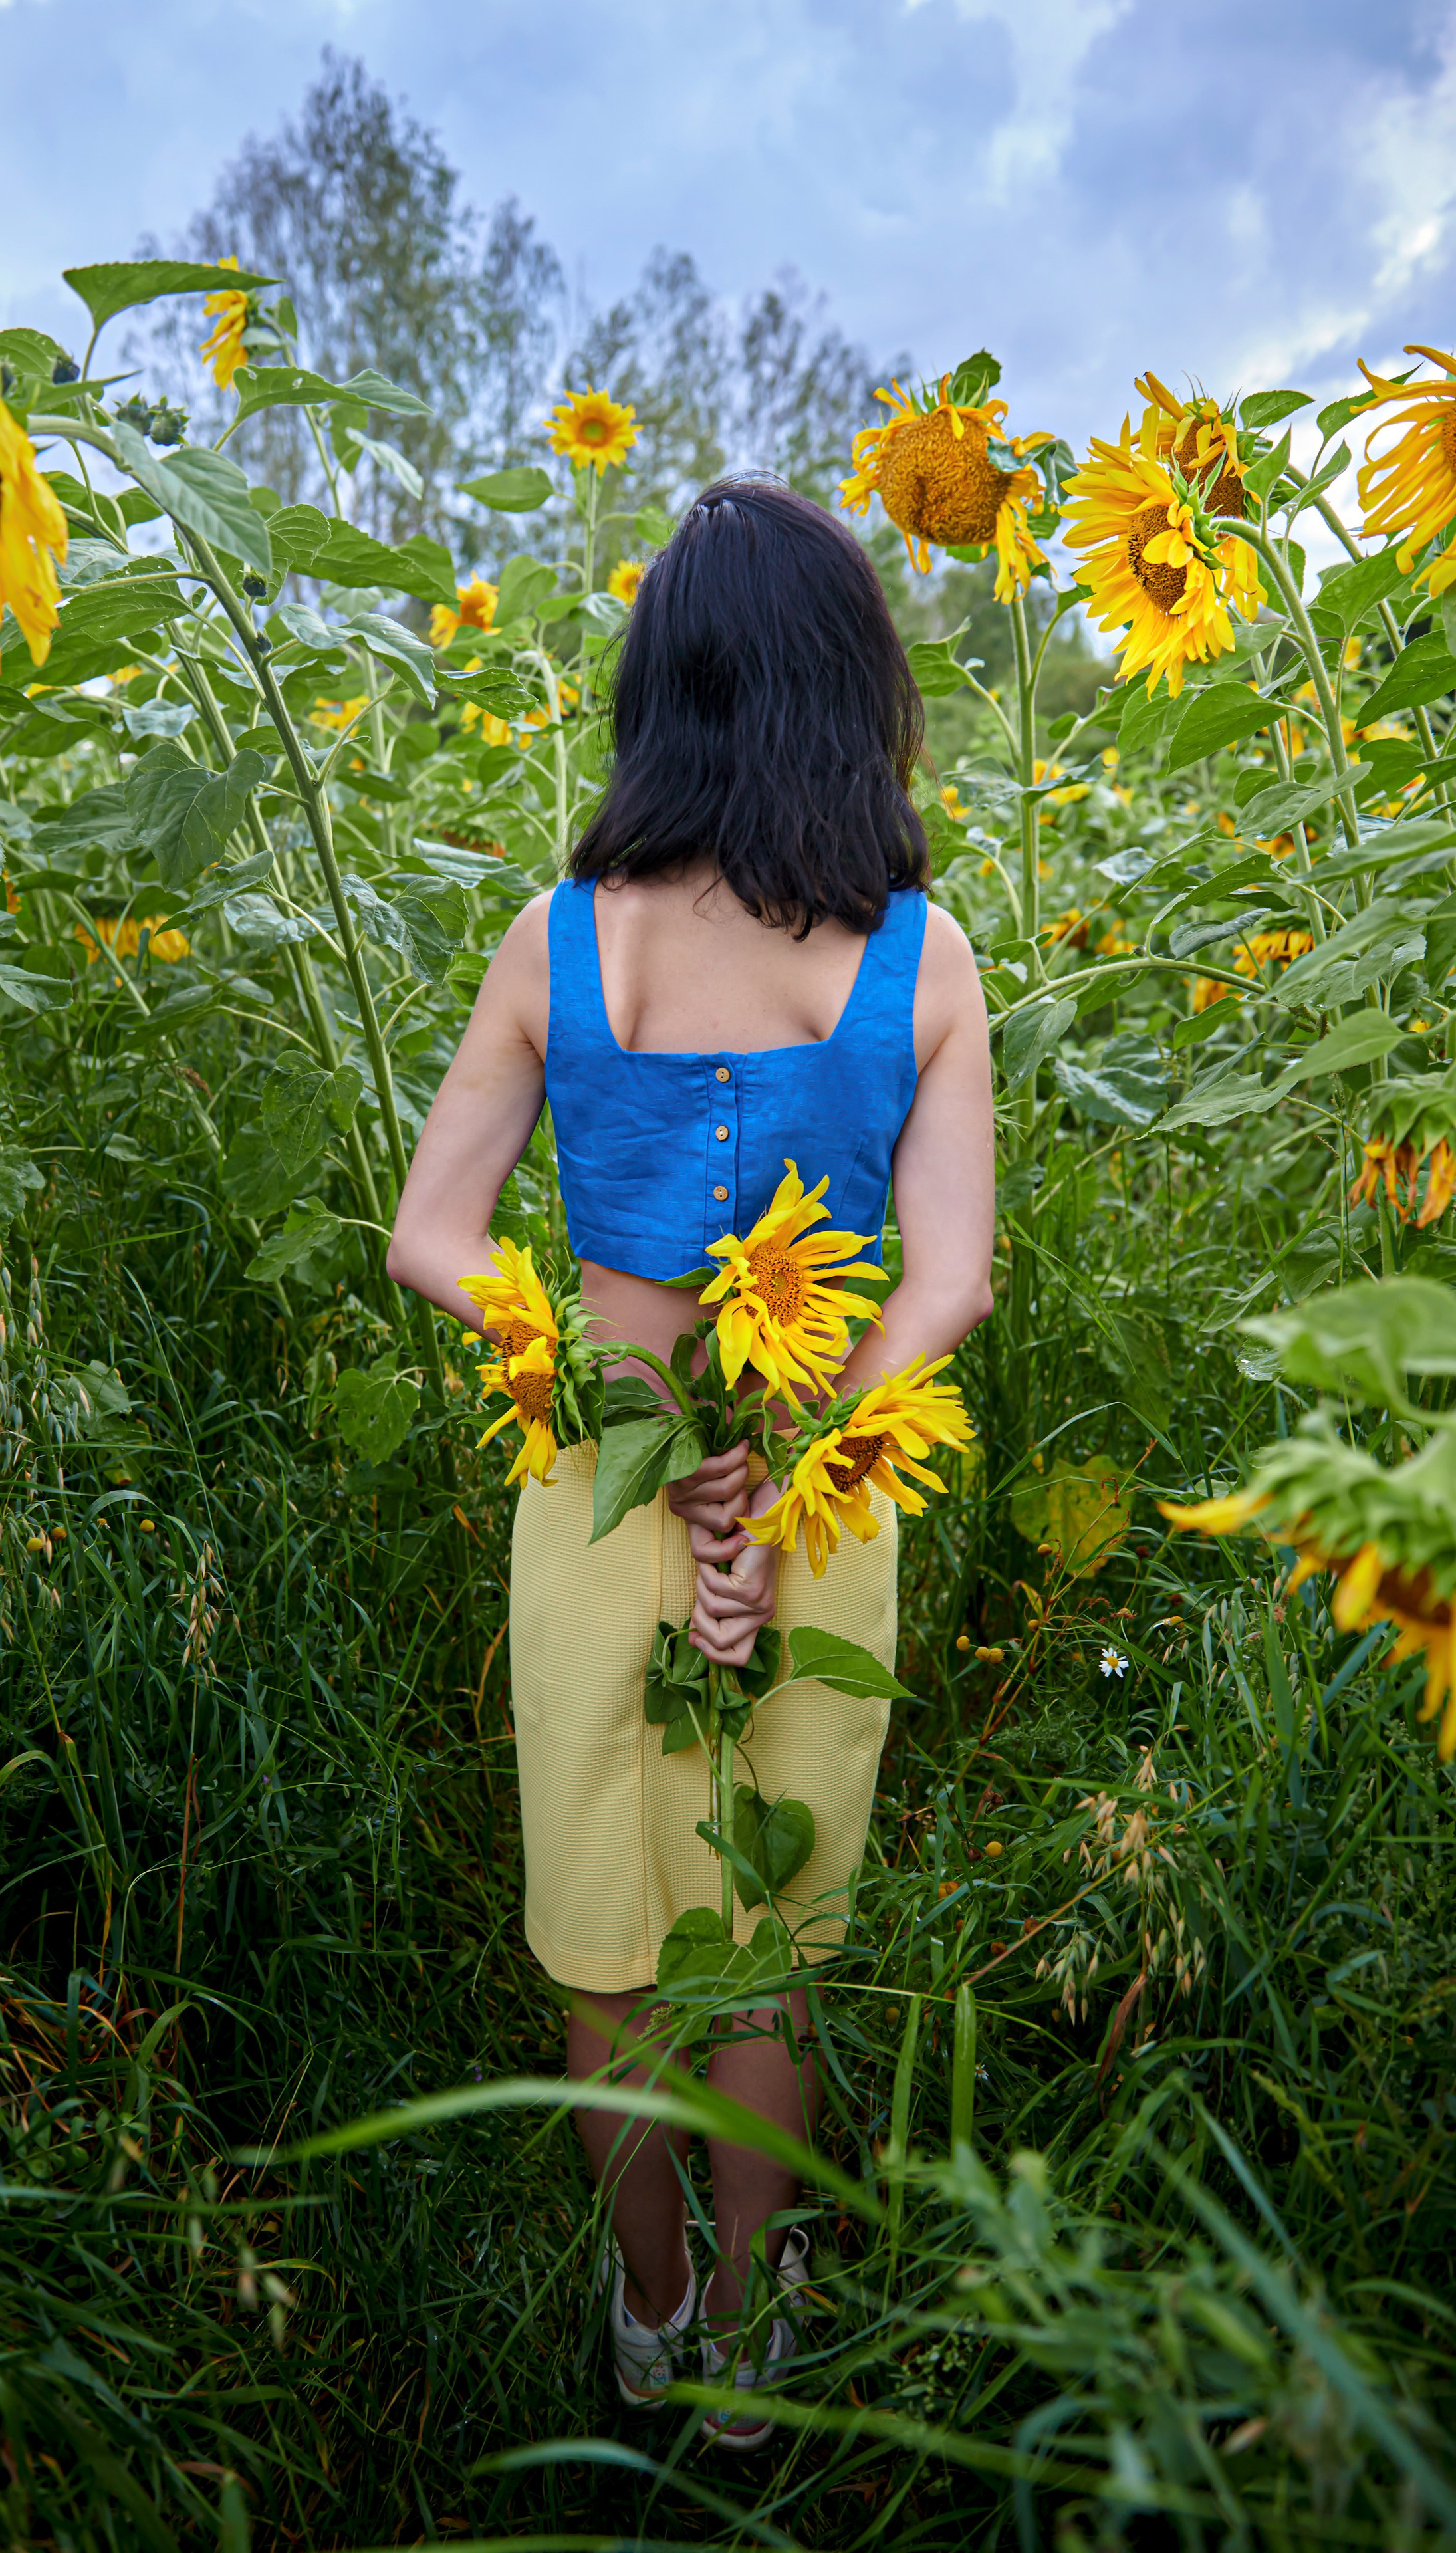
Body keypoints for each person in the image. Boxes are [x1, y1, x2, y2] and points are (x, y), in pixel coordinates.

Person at [388, 478, 995, 2447]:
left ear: (661, 699)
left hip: (589, 1487)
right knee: (775, 1939)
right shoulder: (923, 956)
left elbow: (434, 1236)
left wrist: (620, 1421)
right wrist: (784, 1463)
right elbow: (950, 1284)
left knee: (607, 1932)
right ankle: (755, 2331)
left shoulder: (561, 940)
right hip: (832, 1496)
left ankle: (646, 2309)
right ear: (850, 696)